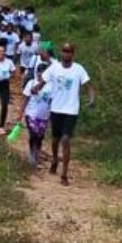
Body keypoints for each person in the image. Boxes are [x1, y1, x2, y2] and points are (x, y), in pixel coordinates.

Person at [38, 43, 95, 185]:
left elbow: (88, 86)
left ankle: (64, 174)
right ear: (61, 53)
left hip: (71, 110)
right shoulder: (54, 68)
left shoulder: (79, 69)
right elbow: (43, 81)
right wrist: (35, 87)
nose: (66, 53)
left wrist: (91, 99)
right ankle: (55, 160)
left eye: (69, 51)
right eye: (64, 51)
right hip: (56, 108)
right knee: (55, 139)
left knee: (65, 139)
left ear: (73, 53)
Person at [20, 74, 52, 173]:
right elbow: (25, 99)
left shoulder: (51, 86)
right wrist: (20, 113)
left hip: (44, 116)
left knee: (39, 137)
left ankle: (37, 155)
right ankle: (31, 155)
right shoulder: (31, 83)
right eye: (39, 73)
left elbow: (52, 101)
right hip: (31, 114)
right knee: (33, 134)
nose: (41, 76)